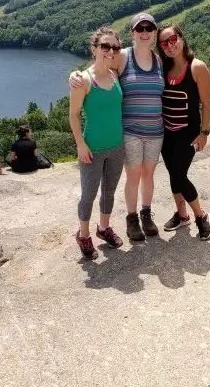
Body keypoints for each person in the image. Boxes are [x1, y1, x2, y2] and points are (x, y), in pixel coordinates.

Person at [70, 13, 164, 242]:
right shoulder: (118, 60)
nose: (110, 51)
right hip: (113, 138)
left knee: (128, 184)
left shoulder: (152, 62)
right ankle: (95, 231)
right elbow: (94, 71)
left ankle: (123, 222)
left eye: (148, 28)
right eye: (139, 28)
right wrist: (74, 75)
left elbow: (102, 66)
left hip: (137, 137)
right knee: (99, 189)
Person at [70, 25, 125, 260]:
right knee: (89, 194)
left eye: (115, 47)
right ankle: (83, 234)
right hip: (93, 148)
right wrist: (81, 144)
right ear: (94, 49)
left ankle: (103, 229)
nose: (110, 51)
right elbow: (73, 115)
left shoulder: (115, 74)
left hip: (117, 146)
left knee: (109, 192)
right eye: (105, 46)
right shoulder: (84, 80)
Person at [156, 23, 210, 240]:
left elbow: (206, 104)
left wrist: (204, 133)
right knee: (173, 175)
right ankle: (182, 216)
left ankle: (201, 215)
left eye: (173, 39)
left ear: (181, 38)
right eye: (164, 43)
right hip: (166, 133)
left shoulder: (197, 67)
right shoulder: (163, 68)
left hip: (187, 133)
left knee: (179, 176)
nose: (170, 45)